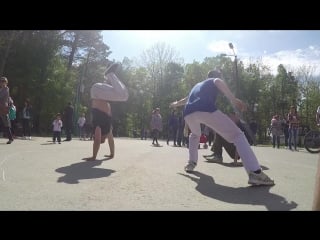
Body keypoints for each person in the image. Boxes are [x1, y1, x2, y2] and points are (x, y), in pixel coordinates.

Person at [170, 70, 274, 186]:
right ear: (217, 76)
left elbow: (185, 100)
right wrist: (234, 100)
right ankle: (255, 173)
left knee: (194, 135)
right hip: (206, 108)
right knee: (237, 135)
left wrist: (174, 104)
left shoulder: (197, 86)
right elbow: (218, 81)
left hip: (188, 113)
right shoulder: (212, 81)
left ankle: (191, 162)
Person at [84, 62, 128, 161]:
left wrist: (94, 156)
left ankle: (109, 74)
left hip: (96, 92)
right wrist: (112, 154)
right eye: (103, 140)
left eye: (103, 140)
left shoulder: (99, 127)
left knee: (123, 96)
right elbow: (111, 140)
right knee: (124, 95)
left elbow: (97, 140)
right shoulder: (107, 130)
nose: (103, 139)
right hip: (99, 92)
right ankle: (110, 75)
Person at [0, 77, 14, 144]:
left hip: (3, 109)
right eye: (1, 81)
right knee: (5, 124)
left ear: (6, 82)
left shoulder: (6, 89)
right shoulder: (1, 89)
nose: (2, 82)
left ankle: (10, 138)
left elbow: (1, 97)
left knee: (6, 124)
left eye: (4, 81)